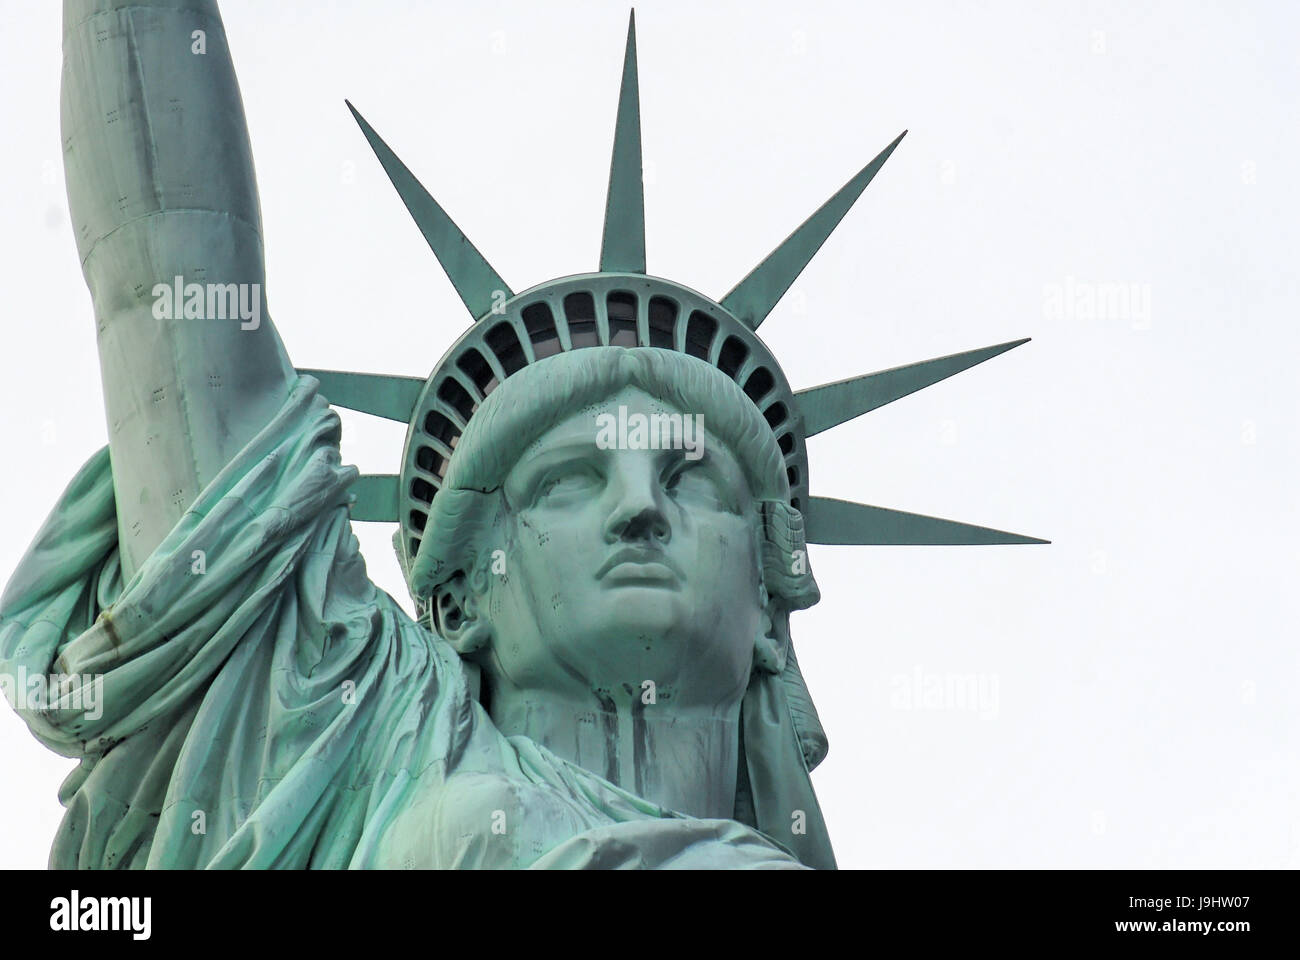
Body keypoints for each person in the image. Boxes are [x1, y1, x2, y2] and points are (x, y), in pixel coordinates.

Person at [0, 0, 834, 869]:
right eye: (567, 480)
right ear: (462, 599)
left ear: (769, 608)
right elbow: (162, 285)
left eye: (695, 480)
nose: (641, 509)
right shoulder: (348, 735)